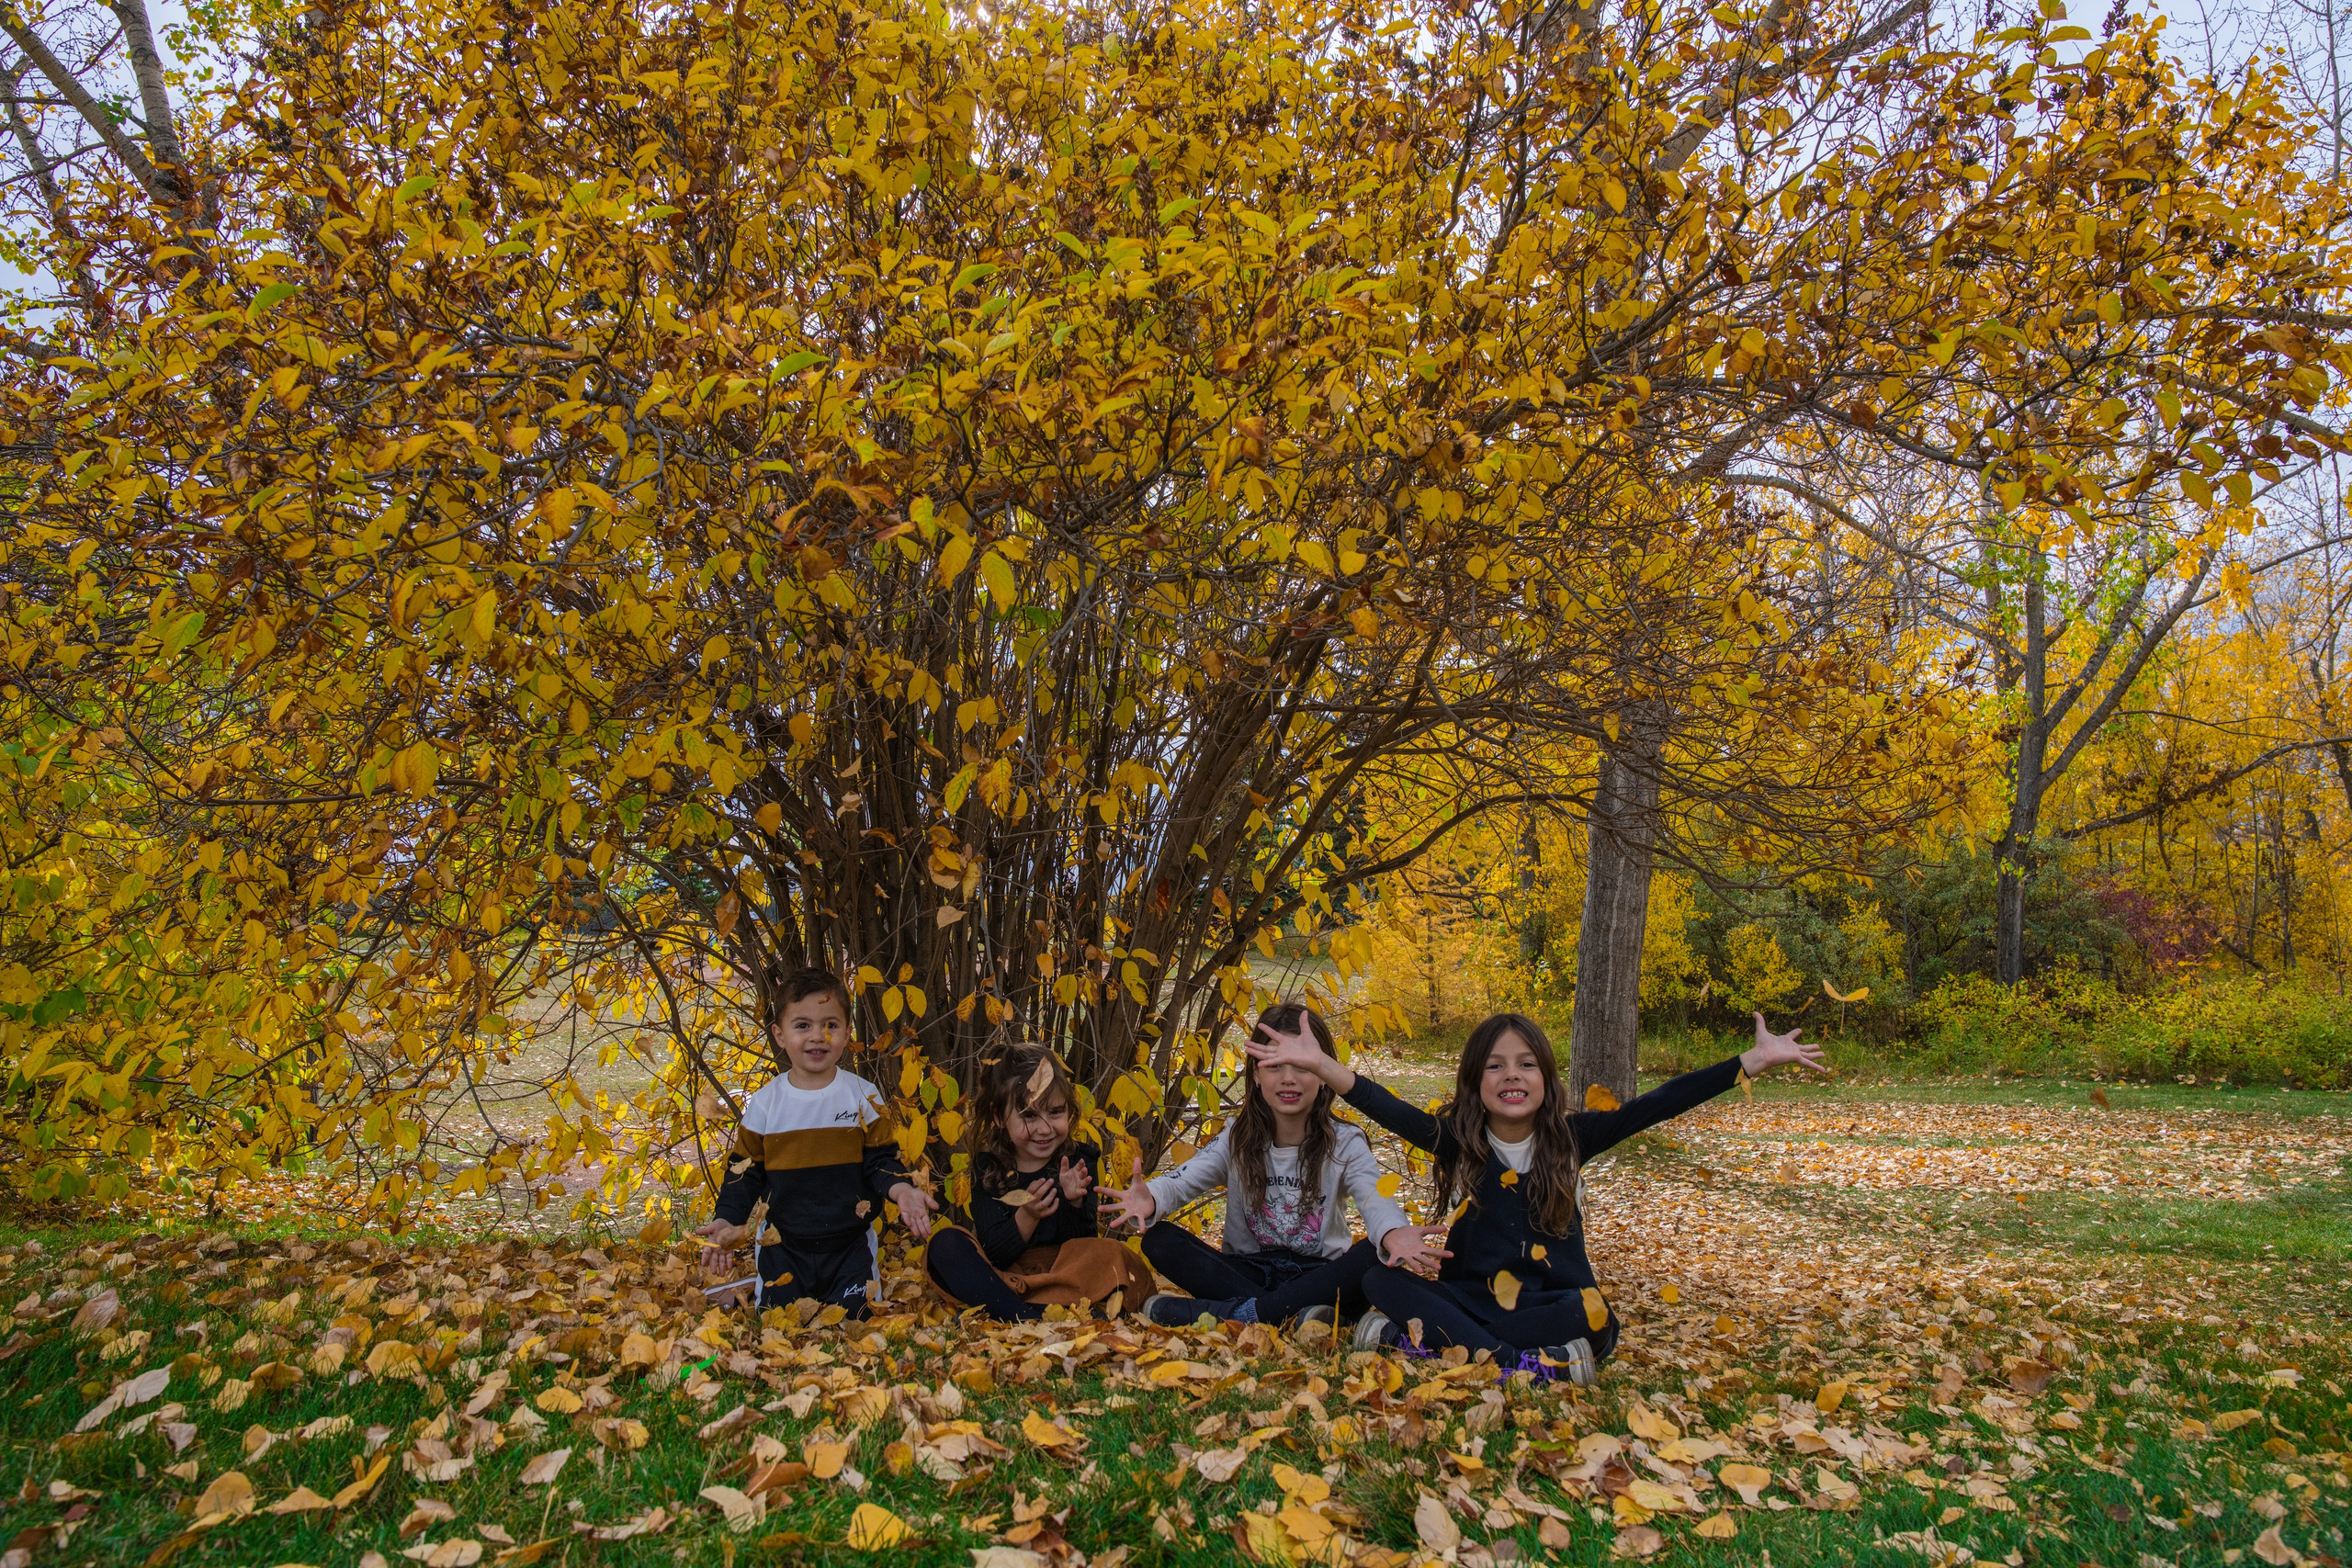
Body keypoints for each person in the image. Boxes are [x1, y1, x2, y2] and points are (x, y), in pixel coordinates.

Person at [1247, 1009, 1822, 1382]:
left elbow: (1661, 1102)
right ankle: (1514, 1368)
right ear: (1475, 1083)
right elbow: (1390, 1109)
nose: (1510, 1074)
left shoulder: (1572, 1138)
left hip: (1549, 1303)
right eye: (1494, 1066)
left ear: (1546, 1078)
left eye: (1525, 1064)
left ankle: (1413, 1343)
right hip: (1470, 1300)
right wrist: (1323, 1065)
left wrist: (1752, 1061)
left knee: (1596, 1323)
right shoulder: (1460, 1140)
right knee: (1377, 1278)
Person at [1099, 1001, 1448, 1329]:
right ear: (1255, 1075)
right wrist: (1152, 1198)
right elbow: (1182, 1182)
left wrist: (1392, 1232)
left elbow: (1375, 1198)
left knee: (1374, 1255)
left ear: (1325, 1073)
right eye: (1275, 1066)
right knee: (1160, 1241)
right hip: (1247, 1271)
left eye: (1302, 1066)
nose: (1288, 1079)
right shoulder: (1237, 1137)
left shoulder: (1345, 1142)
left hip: (1320, 1276)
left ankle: (1241, 1314)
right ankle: (1293, 1315)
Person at [695, 966, 936, 1317]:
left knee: (859, 1319)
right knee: (780, 1325)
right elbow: (744, 1173)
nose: (818, 1036)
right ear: (779, 1034)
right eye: (802, 1025)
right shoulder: (765, 1104)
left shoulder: (863, 1096)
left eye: (831, 1025)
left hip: (850, 1246)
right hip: (783, 1246)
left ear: (847, 1032)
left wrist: (902, 1191)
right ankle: (749, 1288)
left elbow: (881, 1162)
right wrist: (727, 1219)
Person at [922, 1041, 1157, 1320]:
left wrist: (1074, 1201)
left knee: (1112, 1253)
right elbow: (995, 1254)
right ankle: (1023, 1314)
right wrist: (1027, 1216)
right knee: (945, 1243)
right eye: (1029, 1115)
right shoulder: (989, 1168)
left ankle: (1022, 1311)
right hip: (1010, 1279)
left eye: (1055, 1112)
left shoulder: (1081, 1161)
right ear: (999, 1116)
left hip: (1068, 1277)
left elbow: (1083, 1249)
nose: (1044, 1128)